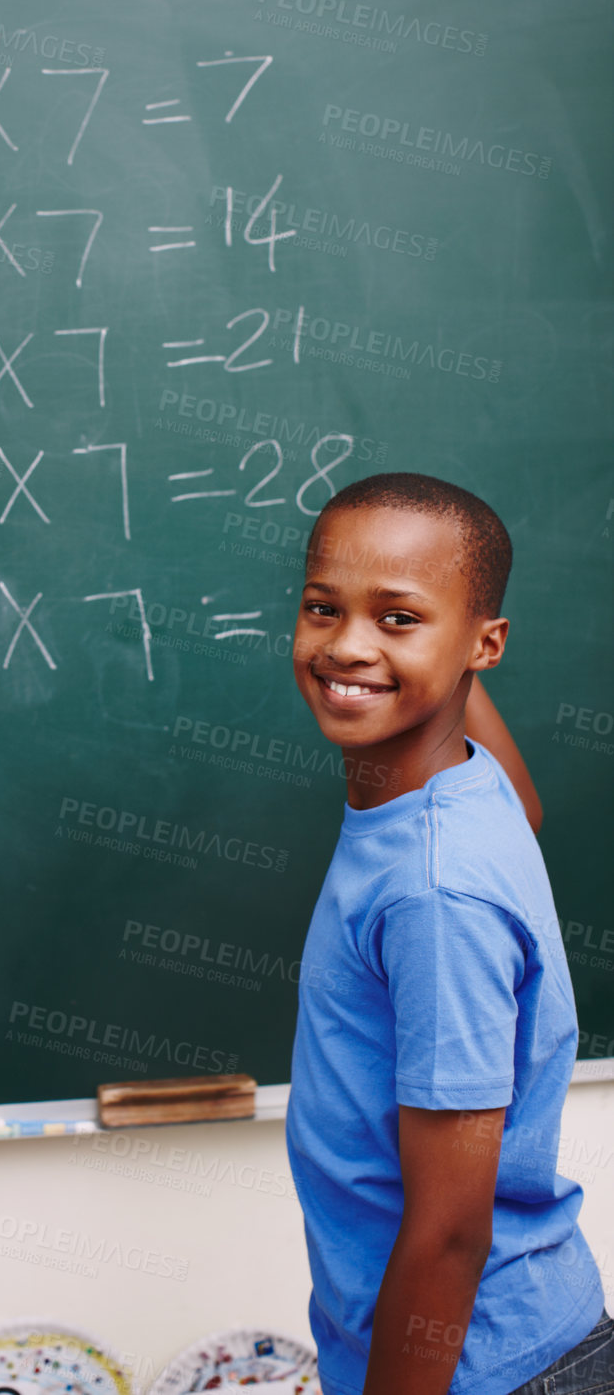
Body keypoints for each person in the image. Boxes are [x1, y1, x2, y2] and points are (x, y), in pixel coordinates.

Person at [285, 473, 610, 1395]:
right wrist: (432, 643)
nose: (346, 645)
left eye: (398, 618)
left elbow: (451, 1229)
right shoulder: (477, 783)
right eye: (323, 607)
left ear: (486, 644)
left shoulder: (435, 897)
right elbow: (531, 805)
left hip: (484, 1367)